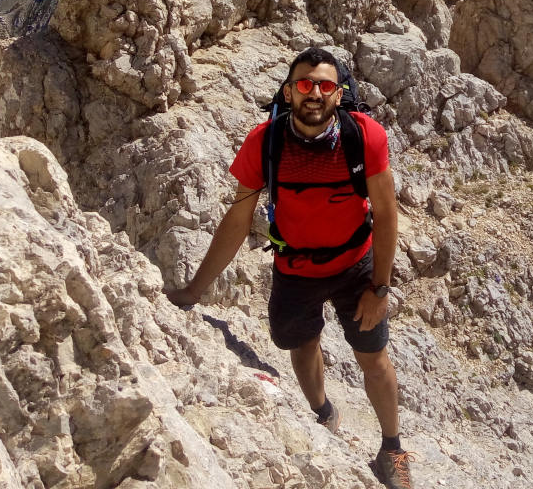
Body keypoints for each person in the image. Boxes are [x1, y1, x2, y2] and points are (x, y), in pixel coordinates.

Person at [168, 47, 413, 489]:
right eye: (304, 84)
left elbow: (386, 211)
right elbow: (238, 218)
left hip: (356, 265)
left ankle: (392, 449)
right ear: (289, 91)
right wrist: (193, 291)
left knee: (372, 357)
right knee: (300, 343)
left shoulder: (366, 137)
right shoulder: (266, 142)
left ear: (338, 95)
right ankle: (324, 413)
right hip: (296, 267)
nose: (313, 93)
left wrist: (379, 289)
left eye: (323, 85)